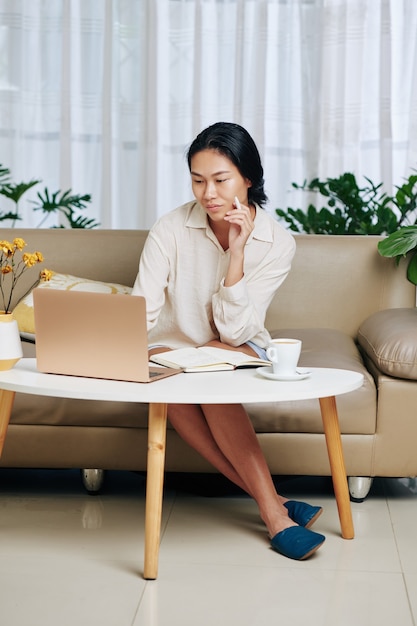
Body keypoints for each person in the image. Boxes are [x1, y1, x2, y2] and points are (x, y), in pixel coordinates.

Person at [132, 121, 325, 560]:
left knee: (210, 374)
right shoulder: (170, 227)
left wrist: (236, 255)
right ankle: (273, 505)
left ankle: (274, 514)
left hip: (237, 347)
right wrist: (127, 348)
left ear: (247, 179)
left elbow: (234, 332)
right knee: (173, 383)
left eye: (220, 180)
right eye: (198, 181)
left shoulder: (277, 242)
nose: (208, 193)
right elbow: (142, 306)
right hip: (176, 350)